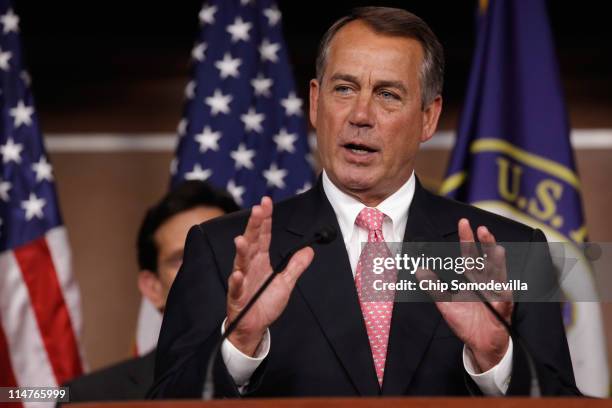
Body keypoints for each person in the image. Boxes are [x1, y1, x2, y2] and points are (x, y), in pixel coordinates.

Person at [149, 7, 579, 398]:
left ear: (428, 117)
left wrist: (496, 361)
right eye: (344, 88)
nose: (361, 114)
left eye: (388, 94)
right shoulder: (224, 249)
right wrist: (239, 345)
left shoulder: (511, 250)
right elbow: (163, 402)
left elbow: (563, 402)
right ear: (315, 103)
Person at [62, 181, 239, 403]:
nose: (206, 267)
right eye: (184, 257)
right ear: (153, 288)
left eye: (219, 248)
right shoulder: (90, 397)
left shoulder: (293, 382)